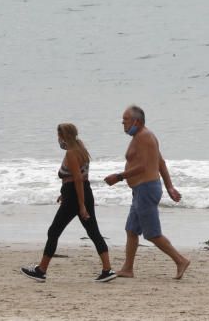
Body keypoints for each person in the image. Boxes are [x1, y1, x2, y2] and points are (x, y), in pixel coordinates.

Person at [20, 123, 116, 283]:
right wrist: (64, 194)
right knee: (93, 231)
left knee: (54, 231)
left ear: (64, 136)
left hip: (75, 196)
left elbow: (78, 179)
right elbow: (77, 178)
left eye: (58, 136)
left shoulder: (72, 153)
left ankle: (41, 270)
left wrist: (81, 205)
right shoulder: (81, 149)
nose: (58, 139)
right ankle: (107, 270)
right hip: (81, 192)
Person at [104, 105, 191, 279]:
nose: (123, 123)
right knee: (131, 230)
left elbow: (143, 166)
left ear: (137, 121)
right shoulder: (140, 137)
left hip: (146, 189)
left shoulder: (145, 137)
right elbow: (161, 163)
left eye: (126, 120)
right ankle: (128, 269)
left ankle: (180, 260)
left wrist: (119, 177)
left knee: (152, 233)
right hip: (140, 190)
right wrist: (170, 188)